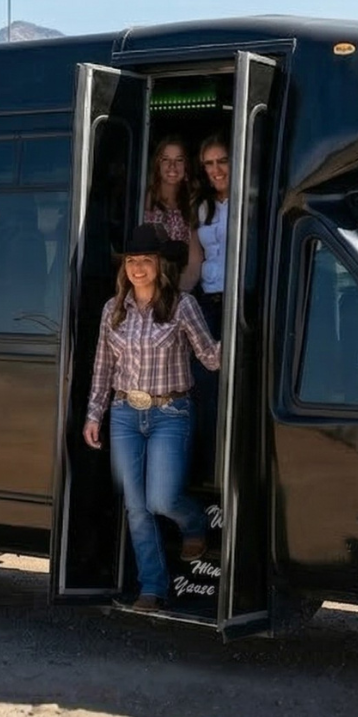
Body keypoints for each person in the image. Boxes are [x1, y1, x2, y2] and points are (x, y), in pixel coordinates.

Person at [80, 223, 221, 612]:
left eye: (145, 260)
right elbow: (102, 368)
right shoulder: (113, 309)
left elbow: (209, 358)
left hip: (170, 412)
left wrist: (239, 341)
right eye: (131, 261)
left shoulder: (182, 305)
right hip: (125, 413)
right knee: (136, 507)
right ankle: (152, 588)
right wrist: (95, 414)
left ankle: (195, 525)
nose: (137, 268)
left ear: (160, 264)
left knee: (161, 499)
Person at [142, 135, 203, 292]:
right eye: (165, 160)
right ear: (157, 165)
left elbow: (194, 264)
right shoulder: (144, 199)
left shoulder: (193, 204)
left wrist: (176, 296)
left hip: (180, 288)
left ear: (186, 167)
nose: (172, 166)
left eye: (179, 160)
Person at [193, 135, 231, 332]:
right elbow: (195, 261)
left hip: (239, 301)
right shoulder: (202, 207)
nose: (216, 170)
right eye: (209, 164)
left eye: (223, 161)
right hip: (208, 300)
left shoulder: (250, 203)